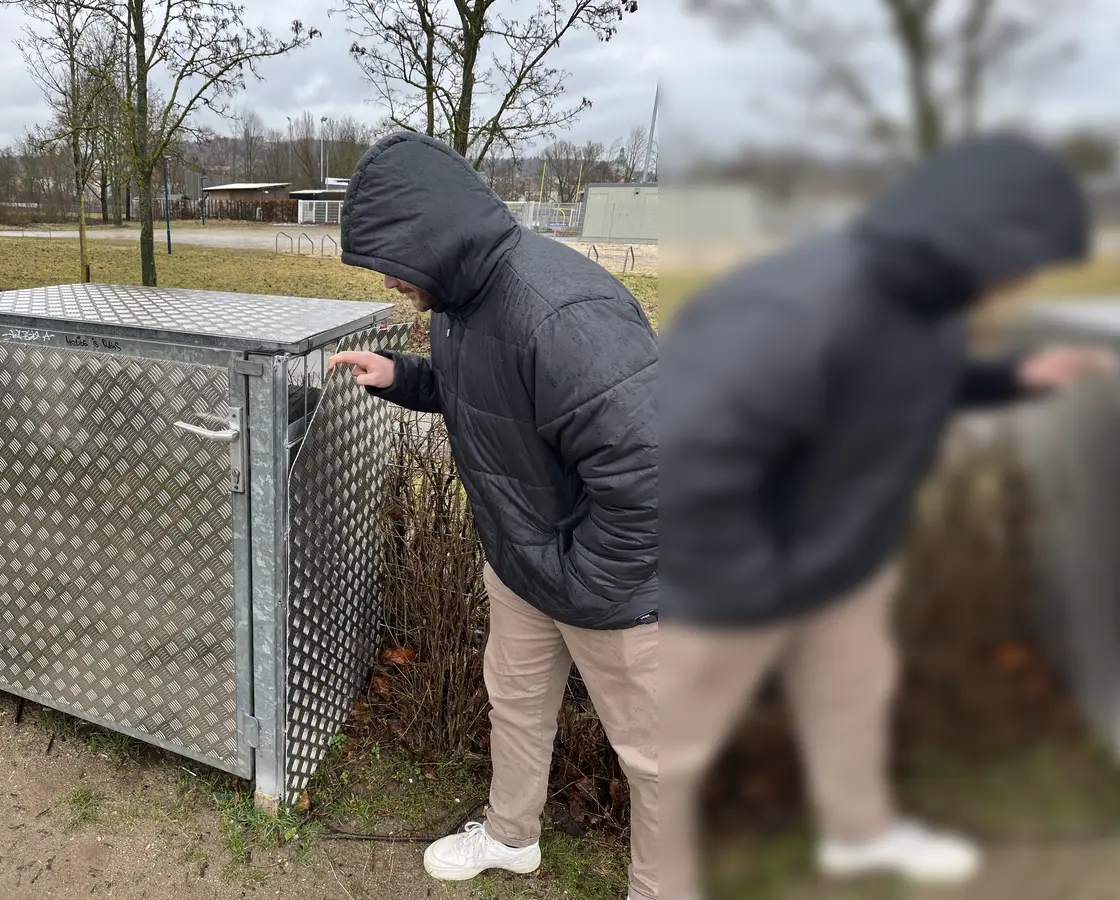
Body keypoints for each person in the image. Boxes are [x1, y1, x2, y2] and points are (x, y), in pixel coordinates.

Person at [659, 133, 1116, 900]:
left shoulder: (930, 298)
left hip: (844, 561)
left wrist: (1012, 379)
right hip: (726, 590)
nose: (1026, 279)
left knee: (853, 704)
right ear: (970, 233)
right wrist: (753, 578)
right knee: (668, 755)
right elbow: (685, 455)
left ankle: (859, 837)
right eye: (1023, 258)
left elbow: (904, 386)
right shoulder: (792, 305)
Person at [327, 132, 660, 900]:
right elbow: (483, 393)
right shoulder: (458, 297)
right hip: (525, 564)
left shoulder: (562, 311)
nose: (386, 277)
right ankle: (512, 839)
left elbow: (650, 474)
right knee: (516, 709)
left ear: (433, 239)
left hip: (617, 587)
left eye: (391, 259)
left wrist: (584, 577)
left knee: (655, 759)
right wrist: (403, 376)